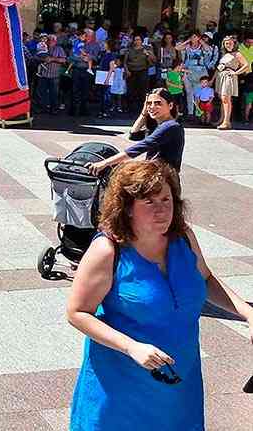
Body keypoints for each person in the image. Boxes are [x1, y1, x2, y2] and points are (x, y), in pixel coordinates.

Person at [67, 160, 253, 430]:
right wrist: (131, 346)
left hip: (180, 383)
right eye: (149, 202)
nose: (162, 210)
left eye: (166, 199)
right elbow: (77, 312)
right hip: (121, 387)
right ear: (127, 208)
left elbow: (206, 279)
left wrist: (247, 311)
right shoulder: (108, 250)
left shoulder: (183, 238)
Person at [89, 89, 185, 175]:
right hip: (155, 174)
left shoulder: (171, 126)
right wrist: (144, 112)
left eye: (158, 103)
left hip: (164, 180)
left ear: (170, 105)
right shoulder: (159, 125)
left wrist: (104, 163)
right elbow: (133, 134)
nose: (152, 106)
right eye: (149, 103)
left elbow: (139, 148)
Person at [214, 35, 251, 130]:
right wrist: (212, 80)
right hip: (221, 76)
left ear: (234, 44)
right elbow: (219, 68)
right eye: (226, 43)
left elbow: (246, 65)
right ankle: (222, 120)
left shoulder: (237, 54)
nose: (228, 45)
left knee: (226, 99)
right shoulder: (225, 54)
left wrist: (236, 73)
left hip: (229, 77)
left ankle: (226, 122)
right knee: (223, 99)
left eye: (230, 43)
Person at [176, 31, 205, 117]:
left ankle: (198, 112)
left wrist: (201, 41)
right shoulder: (187, 46)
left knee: (197, 93)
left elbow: (208, 49)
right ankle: (190, 112)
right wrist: (187, 41)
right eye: (192, 37)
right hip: (187, 71)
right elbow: (177, 48)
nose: (194, 38)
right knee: (189, 92)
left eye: (195, 37)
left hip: (199, 72)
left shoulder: (201, 47)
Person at [124, 34, 156, 112]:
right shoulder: (130, 50)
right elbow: (125, 62)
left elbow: (154, 60)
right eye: (135, 40)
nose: (137, 41)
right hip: (132, 71)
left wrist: (147, 54)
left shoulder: (147, 49)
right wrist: (127, 70)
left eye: (138, 40)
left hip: (142, 71)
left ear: (142, 41)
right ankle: (130, 107)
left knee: (143, 90)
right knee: (131, 90)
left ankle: (143, 107)